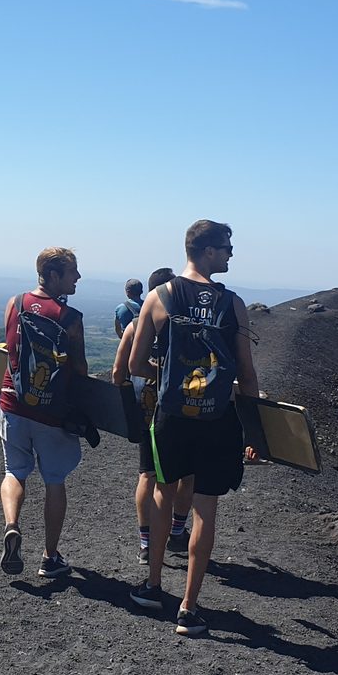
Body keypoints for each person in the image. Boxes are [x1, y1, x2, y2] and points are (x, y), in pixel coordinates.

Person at [122, 220, 261, 636]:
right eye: (226, 247)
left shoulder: (159, 297)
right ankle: (189, 608)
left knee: (163, 497)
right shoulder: (232, 304)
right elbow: (248, 374)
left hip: (171, 418)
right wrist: (255, 431)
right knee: (205, 510)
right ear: (206, 251)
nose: (231, 254)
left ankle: (152, 586)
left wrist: (172, 377)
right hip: (217, 419)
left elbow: (134, 366)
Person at [0, 247, 87, 580]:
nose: (77, 277)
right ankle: (50, 557)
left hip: (12, 402)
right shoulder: (70, 318)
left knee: (14, 471)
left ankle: (11, 525)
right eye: (72, 271)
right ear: (52, 275)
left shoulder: (14, 303)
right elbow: (78, 368)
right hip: (50, 412)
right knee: (54, 480)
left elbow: (11, 348)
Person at [110, 266, 193, 569]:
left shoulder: (134, 325)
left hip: (145, 410)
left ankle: (146, 543)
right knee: (187, 474)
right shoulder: (182, 325)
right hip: (180, 408)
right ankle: (177, 530)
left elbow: (120, 372)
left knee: (147, 474)